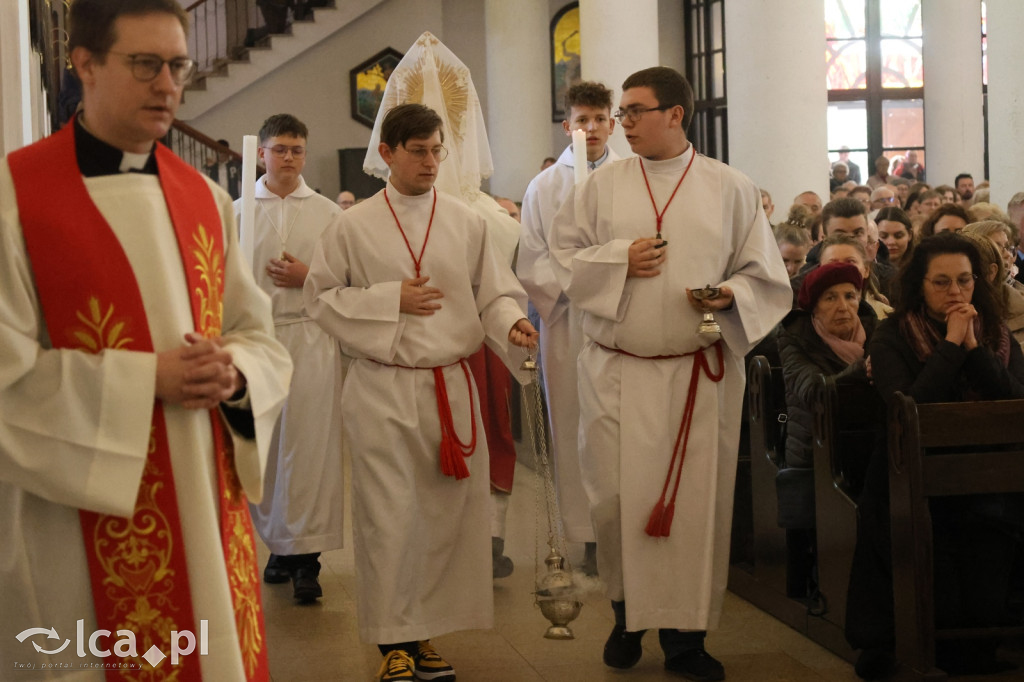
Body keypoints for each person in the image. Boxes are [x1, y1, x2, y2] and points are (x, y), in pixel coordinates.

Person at [0, 0, 292, 678]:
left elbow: (258, 335)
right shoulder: (17, 197)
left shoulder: (205, 198)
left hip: (205, 505)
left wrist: (237, 374)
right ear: (85, 65)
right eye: (145, 65)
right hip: (74, 526)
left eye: (178, 66)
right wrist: (144, 380)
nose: (168, 85)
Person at [550, 66, 791, 681]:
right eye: (621, 113)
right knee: (616, 502)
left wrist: (729, 295)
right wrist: (618, 259)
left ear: (676, 114)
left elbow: (766, 277)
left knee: (692, 508)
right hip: (616, 371)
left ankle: (687, 638)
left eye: (634, 111)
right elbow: (559, 264)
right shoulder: (600, 188)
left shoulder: (731, 187)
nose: (621, 123)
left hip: (695, 375)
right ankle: (626, 616)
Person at [304, 103, 537, 682]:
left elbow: (493, 293)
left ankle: (423, 635)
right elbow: (320, 298)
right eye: (418, 150)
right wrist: (390, 300)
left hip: (450, 388)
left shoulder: (466, 221)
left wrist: (510, 323)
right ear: (386, 155)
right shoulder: (351, 226)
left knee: (441, 521)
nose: (431, 161)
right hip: (382, 386)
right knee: (388, 518)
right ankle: (393, 645)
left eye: (437, 149)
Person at [847, 232, 1024, 679]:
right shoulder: (892, 336)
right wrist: (950, 346)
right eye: (941, 282)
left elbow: (1014, 402)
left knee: (989, 561)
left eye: (964, 281)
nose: (956, 292)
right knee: (938, 570)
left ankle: (986, 642)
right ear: (919, 287)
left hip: (989, 477)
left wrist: (973, 350)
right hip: (908, 478)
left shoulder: (997, 334)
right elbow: (908, 408)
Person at [236, 113, 344, 604]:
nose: (288, 158)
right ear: (261, 153)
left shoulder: (328, 213)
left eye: (297, 149)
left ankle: (307, 561)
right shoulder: (237, 211)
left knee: (309, 451)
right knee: (266, 449)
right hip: (258, 339)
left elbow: (348, 278)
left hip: (311, 338)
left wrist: (310, 276)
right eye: (279, 148)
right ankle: (278, 545)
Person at [518, 80, 620, 577]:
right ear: (567, 126)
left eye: (601, 119)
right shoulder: (544, 187)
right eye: (583, 120)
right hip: (571, 320)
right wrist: (585, 284)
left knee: (621, 424)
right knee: (574, 422)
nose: (593, 128)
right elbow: (533, 259)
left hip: (624, 318)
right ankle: (586, 534)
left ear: (613, 122)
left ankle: (622, 530)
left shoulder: (632, 175)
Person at [777, 263, 876, 598]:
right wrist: (862, 371)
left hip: (868, 444)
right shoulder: (795, 337)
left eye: (850, 295)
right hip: (815, 451)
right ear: (814, 306)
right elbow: (815, 392)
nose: (843, 305)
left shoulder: (877, 330)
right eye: (831, 297)